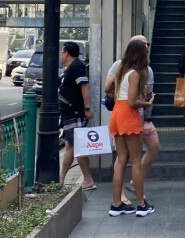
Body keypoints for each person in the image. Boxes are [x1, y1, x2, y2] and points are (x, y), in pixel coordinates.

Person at [104, 35, 159, 207]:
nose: (147, 50)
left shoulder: (121, 69)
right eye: (145, 48)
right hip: (129, 115)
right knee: (135, 160)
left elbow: (108, 88)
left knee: (121, 160)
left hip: (117, 114)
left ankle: (116, 204)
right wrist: (147, 102)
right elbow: (133, 102)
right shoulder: (135, 73)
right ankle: (142, 204)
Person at [57, 42, 96, 190]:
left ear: (66, 53)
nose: (61, 54)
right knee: (72, 146)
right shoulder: (72, 68)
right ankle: (65, 177)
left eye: (62, 52)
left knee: (76, 146)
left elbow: (85, 86)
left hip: (75, 112)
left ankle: (85, 178)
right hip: (70, 112)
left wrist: (87, 108)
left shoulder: (77, 67)